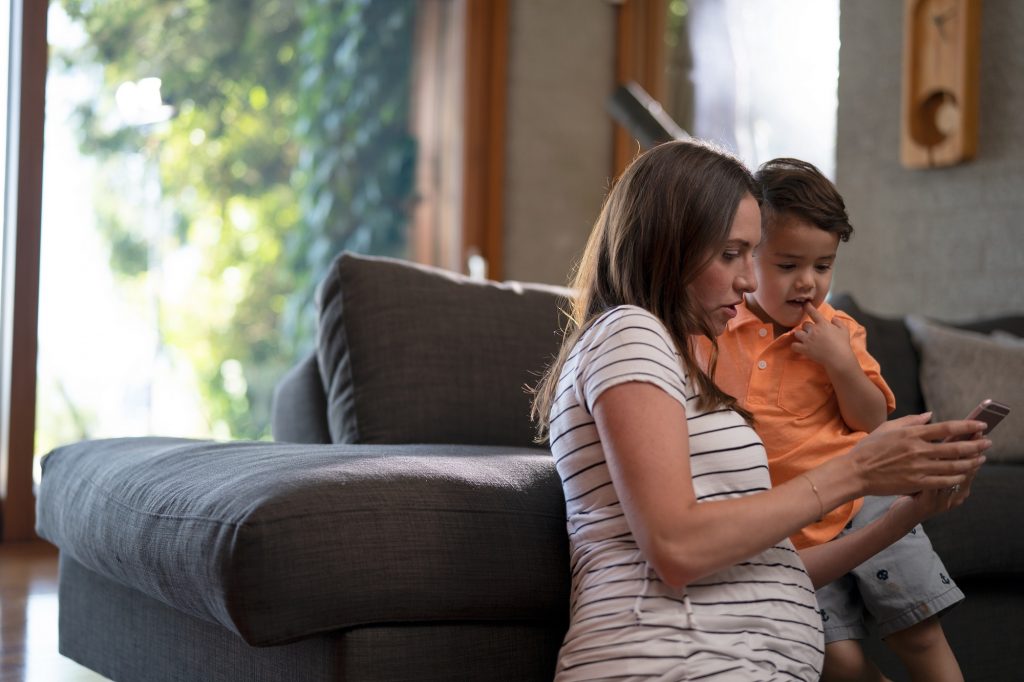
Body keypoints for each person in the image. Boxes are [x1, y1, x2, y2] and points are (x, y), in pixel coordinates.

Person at [530, 139, 988, 681]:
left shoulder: (675, 359)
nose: (748, 280)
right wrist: (859, 469)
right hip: (681, 663)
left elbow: (770, 566)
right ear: (667, 244)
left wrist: (906, 513)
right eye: (731, 254)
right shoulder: (632, 330)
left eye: (750, 254)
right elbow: (676, 546)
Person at [702, 157, 964, 682]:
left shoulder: (840, 330)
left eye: (823, 267)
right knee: (835, 660)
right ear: (749, 259)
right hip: (789, 524)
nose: (807, 283)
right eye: (788, 265)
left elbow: (870, 420)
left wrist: (840, 362)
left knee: (920, 632)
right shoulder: (718, 330)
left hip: (865, 503)